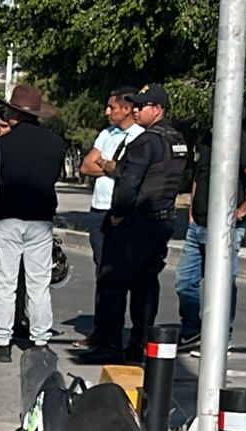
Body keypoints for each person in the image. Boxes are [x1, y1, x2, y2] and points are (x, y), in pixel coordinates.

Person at [78, 83, 188, 365]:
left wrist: (117, 212)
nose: (137, 110)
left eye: (142, 106)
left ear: (158, 109)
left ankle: (109, 345)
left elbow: (129, 183)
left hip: (136, 222)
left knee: (112, 281)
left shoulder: (146, 141)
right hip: (161, 220)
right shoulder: (176, 140)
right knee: (145, 284)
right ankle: (140, 344)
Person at [0, 84, 66, 363]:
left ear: (14, 113)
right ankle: (40, 340)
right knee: (39, 283)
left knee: (5, 282)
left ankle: (1, 341)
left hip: (8, 218)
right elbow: (52, 176)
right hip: (41, 220)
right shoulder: (56, 143)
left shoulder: (2, 146)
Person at [175, 127, 246, 352]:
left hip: (224, 228)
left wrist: (240, 212)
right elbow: (200, 175)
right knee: (185, 282)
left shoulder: (238, 139)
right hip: (198, 224)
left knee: (221, 285)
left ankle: (220, 337)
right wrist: (191, 212)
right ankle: (192, 332)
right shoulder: (206, 138)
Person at [77, 88, 143, 275]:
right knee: (101, 265)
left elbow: (128, 172)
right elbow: (86, 166)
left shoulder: (140, 136)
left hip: (123, 210)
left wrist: (105, 163)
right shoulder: (107, 134)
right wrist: (110, 166)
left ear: (127, 109)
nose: (107, 112)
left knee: (119, 269)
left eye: (111, 107)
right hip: (99, 209)